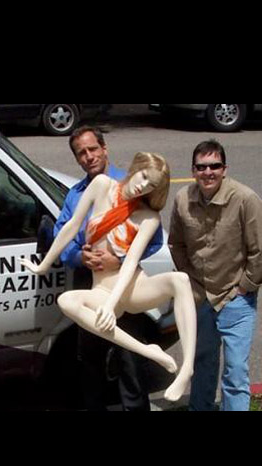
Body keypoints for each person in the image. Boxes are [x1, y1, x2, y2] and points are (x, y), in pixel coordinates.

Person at [22, 151, 197, 402]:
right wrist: (44, 265)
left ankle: (187, 368)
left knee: (180, 280)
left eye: (151, 185)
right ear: (136, 167)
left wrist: (112, 303)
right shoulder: (102, 184)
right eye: (143, 176)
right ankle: (148, 351)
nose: (143, 186)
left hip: (133, 288)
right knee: (66, 301)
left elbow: (131, 262)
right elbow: (71, 226)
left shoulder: (148, 217)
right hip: (101, 289)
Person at [54, 127, 162, 411]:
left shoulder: (131, 184)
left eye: (93, 149)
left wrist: (120, 259)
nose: (88, 156)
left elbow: (154, 240)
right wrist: (79, 256)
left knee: (131, 359)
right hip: (88, 281)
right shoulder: (75, 195)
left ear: (104, 149)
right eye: (81, 153)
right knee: (90, 359)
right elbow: (61, 235)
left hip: (124, 284)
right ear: (77, 159)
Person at [169, 140, 262, 411]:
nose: (208, 172)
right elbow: (176, 244)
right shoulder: (182, 199)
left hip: (236, 298)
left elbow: (258, 250)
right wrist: (189, 282)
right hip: (200, 297)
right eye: (201, 167)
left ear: (224, 169)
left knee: (235, 372)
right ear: (193, 170)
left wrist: (244, 287)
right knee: (202, 363)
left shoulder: (245, 199)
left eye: (214, 166)